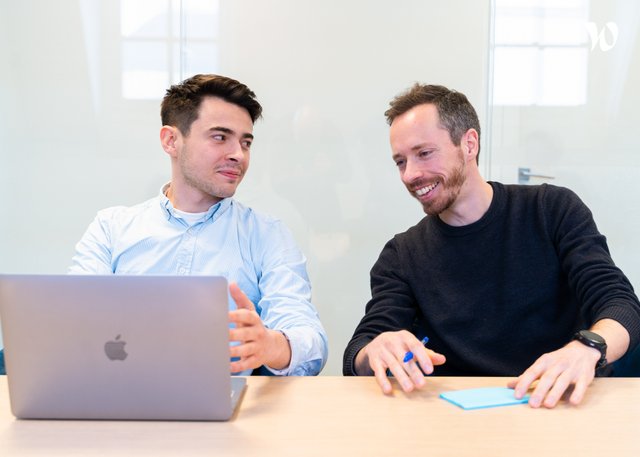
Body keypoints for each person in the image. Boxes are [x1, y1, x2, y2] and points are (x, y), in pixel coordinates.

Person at [343, 83, 640, 407]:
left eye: (424, 153)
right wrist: (376, 349)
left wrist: (588, 348)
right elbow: (360, 350)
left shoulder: (551, 210)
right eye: (400, 162)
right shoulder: (402, 255)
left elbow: (619, 304)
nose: (410, 174)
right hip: (456, 415)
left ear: (469, 144)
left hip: (558, 403)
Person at [69, 74, 328, 376]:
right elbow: (72, 321)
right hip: (117, 392)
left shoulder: (268, 235)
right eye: (220, 137)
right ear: (171, 141)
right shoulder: (111, 228)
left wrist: (271, 345)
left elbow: (310, 341)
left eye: (245, 142)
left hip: (226, 400)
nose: (238, 155)